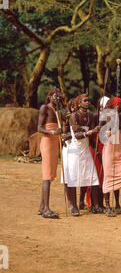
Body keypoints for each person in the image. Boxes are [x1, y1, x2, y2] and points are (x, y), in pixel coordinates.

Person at [67, 93, 102, 213]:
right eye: (85, 100)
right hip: (75, 151)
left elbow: (92, 135)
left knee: (93, 178)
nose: (88, 102)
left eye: (88, 100)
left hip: (86, 150)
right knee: (73, 179)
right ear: (79, 103)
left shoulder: (91, 116)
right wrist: (91, 132)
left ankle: (96, 205)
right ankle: (74, 206)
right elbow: (77, 135)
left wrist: (96, 148)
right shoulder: (73, 116)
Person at [100, 96, 121, 217]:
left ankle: (117, 203)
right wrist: (106, 132)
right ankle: (107, 205)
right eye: (119, 105)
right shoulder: (104, 115)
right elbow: (100, 131)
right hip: (109, 147)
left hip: (119, 148)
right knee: (108, 176)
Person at [37, 88, 63, 219]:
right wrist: (52, 132)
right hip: (47, 143)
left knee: (51, 175)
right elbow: (39, 128)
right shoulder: (44, 108)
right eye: (55, 95)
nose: (57, 98)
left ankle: (42, 207)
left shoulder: (58, 111)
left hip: (55, 144)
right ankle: (47, 209)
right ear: (50, 96)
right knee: (47, 175)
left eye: (59, 96)